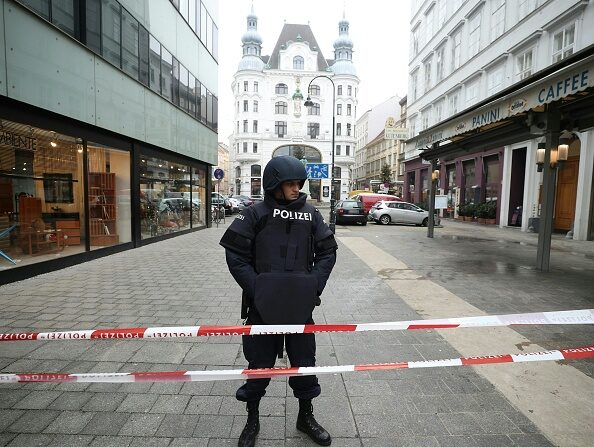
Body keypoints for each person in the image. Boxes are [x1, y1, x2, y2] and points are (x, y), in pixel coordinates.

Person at [220, 155, 338, 447]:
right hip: (262, 309)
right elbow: (235, 254)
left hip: (300, 308)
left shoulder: (311, 214)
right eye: (290, 183)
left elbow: (328, 252)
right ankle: (252, 420)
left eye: (299, 183)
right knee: (259, 365)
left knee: (304, 364)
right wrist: (258, 287)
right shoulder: (255, 213)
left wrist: (313, 287)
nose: (296, 188)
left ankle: (305, 416)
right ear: (274, 184)